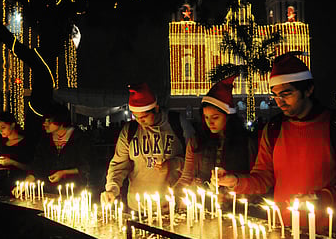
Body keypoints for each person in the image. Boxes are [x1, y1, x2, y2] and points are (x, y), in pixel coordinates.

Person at [213, 53, 336, 230]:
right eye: (275, 95)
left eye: (286, 94)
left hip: (329, 233)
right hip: (283, 230)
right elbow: (264, 177)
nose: (279, 102)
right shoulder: (273, 128)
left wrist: (321, 198)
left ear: (308, 89)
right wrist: (235, 181)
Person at [101, 82, 195, 210]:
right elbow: (119, 165)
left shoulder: (177, 123)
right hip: (137, 207)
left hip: (172, 206)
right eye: (136, 116)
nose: (141, 121)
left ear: (156, 108)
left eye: (144, 116)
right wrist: (112, 189)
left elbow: (195, 161)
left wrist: (172, 164)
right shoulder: (130, 130)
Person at [174, 75, 258, 205]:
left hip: (239, 208)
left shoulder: (246, 142)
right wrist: (174, 196)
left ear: (228, 116)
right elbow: (186, 176)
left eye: (215, 117)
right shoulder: (197, 142)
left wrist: (230, 194)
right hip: (204, 206)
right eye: (206, 117)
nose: (210, 123)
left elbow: (255, 179)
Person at [22, 102, 95, 194]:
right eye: (44, 121)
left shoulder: (79, 138)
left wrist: (64, 172)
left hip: (74, 191)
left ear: (60, 121)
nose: (45, 124)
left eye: (49, 121)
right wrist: (26, 183)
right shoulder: (45, 140)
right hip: (49, 191)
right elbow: (38, 164)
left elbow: (86, 166)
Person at [0, 111, 35, 194]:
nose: (0, 131)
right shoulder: (1, 144)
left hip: (20, 186)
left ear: (12, 125)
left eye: (3, 127)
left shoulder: (26, 144)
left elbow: (32, 168)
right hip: (1, 185)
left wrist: (12, 162)